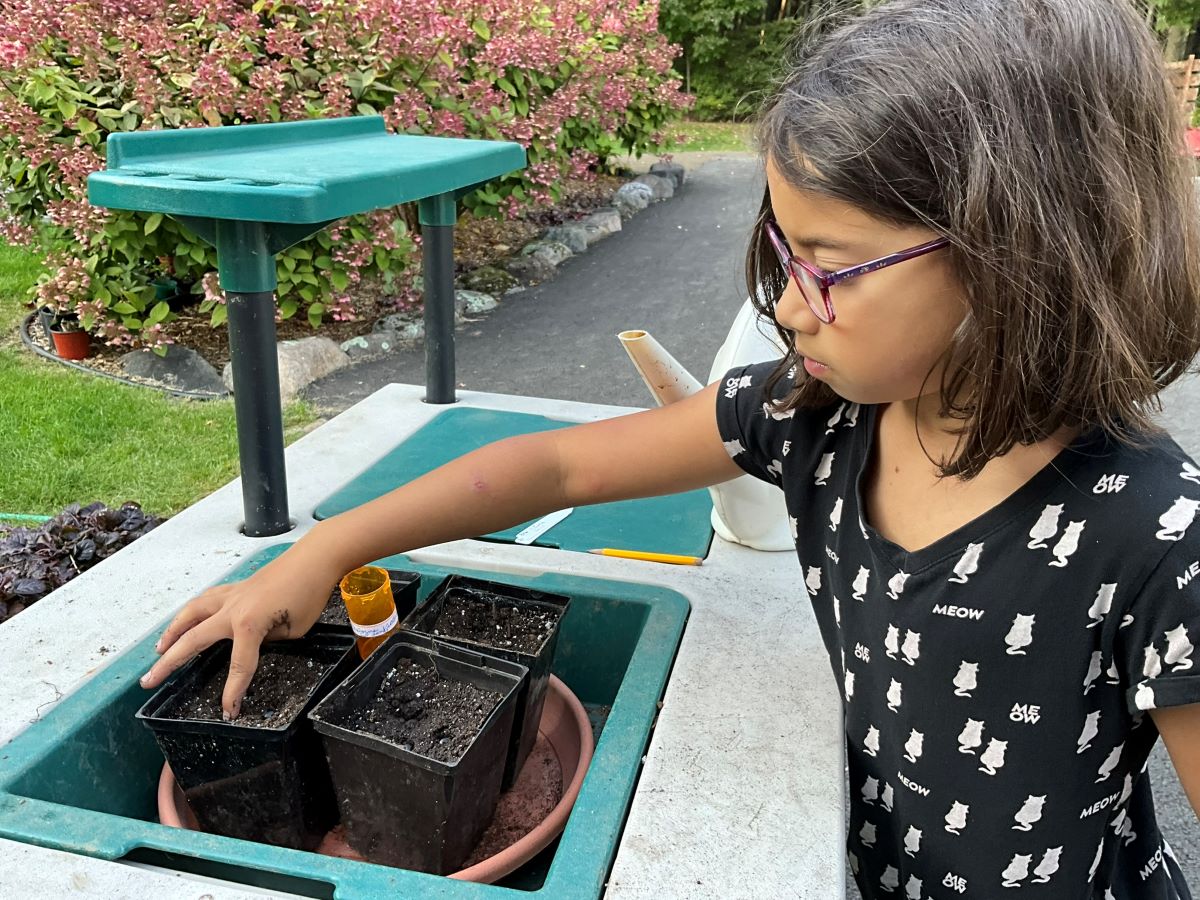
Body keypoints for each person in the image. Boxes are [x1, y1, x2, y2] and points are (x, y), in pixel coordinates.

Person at [141, 0, 1200, 895]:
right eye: (782, 251)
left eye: (829, 267)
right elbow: (563, 467)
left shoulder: (1159, 540)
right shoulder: (819, 414)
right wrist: (322, 552)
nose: (788, 304)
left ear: (1024, 255)